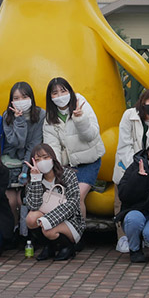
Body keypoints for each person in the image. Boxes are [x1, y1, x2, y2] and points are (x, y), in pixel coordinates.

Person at [43, 77, 105, 219]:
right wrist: (57, 170)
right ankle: (65, 232)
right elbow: (52, 147)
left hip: (89, 161)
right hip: (67, 166)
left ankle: (79, 232)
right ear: (50, 97)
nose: (60, 96)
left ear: (69, 91)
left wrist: (80, 119)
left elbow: (91, 136)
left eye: (63, 91)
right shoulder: (49, 118)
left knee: (77, 197)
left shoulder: (80, 103)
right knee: (61, 197)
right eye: (55, 93)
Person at [114, 88, 149, 252]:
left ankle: (143, 237)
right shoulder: (129, 115)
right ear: (143, 101)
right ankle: (123, 237)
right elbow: (124, 145)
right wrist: (136, 169)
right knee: (122, 202)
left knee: (145, 203)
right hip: (127, 168)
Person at [23, 143, 85, 261]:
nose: (42, 161)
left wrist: (48, 220)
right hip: (44, 218)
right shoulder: (34, 178)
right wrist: (35, 179)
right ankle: (49, 246)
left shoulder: (67, 174)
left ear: (52, 157)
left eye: (45, 157)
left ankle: (67, 247)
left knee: (48, 229)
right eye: (38, 159)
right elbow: (33, 205)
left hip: (70, 220)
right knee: (31, 219)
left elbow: (73, 203)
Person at [2, 82, 45, 223]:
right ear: (11, 101)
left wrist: (25, 171)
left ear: (31, 98)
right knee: (11, 201)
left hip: (30, 163)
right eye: (16, 98)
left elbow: (33, 146)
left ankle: (27, 234)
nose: (20, 101)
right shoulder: (7, 116)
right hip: (10, 165)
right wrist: (19, 120)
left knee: (23, 201)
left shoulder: (40, 115)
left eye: (24, 97)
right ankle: (13, 230)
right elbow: (16, 143)